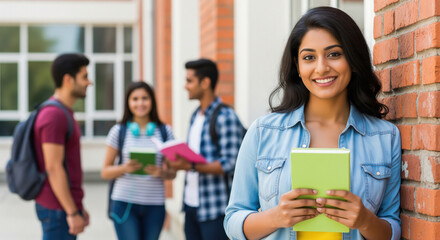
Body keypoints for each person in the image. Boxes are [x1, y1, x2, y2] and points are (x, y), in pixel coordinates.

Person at [224, 7, 401, 240]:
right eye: (309, 57)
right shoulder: (263, 132)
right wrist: (276, 217)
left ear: (354, 60)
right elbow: (233, 220)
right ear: (297, 67)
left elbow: (393, 228)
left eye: (334, 54)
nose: (321, 68)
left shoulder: (385, 137)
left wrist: (365, 221)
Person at [167, 58, 245, 240]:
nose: (185, 86)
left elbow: (230, 164)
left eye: (189, 81)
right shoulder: (195, 115)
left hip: (216, 210)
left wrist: (190, 167)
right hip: (191, 207)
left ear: (205, 82)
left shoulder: (226, 117)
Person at [101, 81, 176, 240]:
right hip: (124, 203)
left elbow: (173, 173)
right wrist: (124, 168)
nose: (140, 103)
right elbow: (105, 172)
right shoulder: (118, 131)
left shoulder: (165, 131)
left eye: (145, 98)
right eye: (135, 99)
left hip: (155, 205)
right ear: (128, 103)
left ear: (152, 102)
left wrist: (160, 172)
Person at [34, 53, 92, 239]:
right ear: (68, 79)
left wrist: (77, 206)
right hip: (57, 209)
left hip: (62, 208)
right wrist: (72, 212)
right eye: (84, 76)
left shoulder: (63, 112)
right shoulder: (54, 115)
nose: (88, 82)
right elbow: (53, 167)